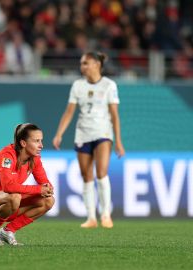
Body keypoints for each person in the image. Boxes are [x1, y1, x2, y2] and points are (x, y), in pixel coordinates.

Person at [52, 51, 125, 229]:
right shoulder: (78, 85)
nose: (82, 66)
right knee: (86, 176)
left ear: (96, 65)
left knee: (101, 173)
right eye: (81, 63)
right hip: (83, 134)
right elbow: (69, 112)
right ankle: (91, 217)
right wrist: (59, 133)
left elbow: (114, 115)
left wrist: (119, 141)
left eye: (85, 63)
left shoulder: (109, 85)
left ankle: (106, 214)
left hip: (103, 134)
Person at [0, 123, 54, 245]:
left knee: (48, 200)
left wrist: (48, 189)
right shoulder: (7, 156)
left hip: (7, 203)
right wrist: (38, 189)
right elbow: (8, 187)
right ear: (23, 143)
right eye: (36, 141)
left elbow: (45, 184)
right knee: (14, 196)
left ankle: (8, 231)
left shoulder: (34, 159)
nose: (41, 145)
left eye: (41, 141)